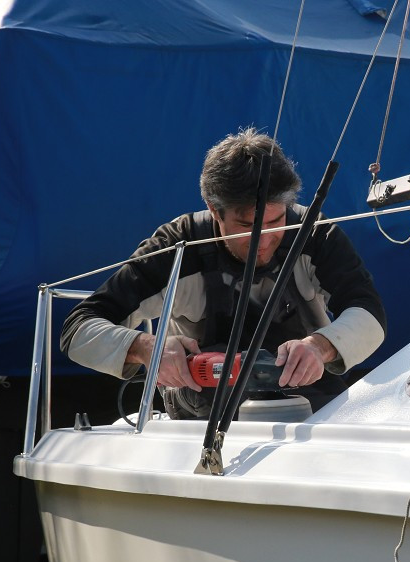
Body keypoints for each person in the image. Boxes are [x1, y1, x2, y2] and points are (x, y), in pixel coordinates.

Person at [61, 128, 386, 417]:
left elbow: (368, 310)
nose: (263, 240)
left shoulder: (314, 233)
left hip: (310, 410)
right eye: (247, 226)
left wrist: (319, 347)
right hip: (200, 414)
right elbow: (78, 329)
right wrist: (149, 347)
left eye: (275, 222)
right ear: (213, 209)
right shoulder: (178, 245)